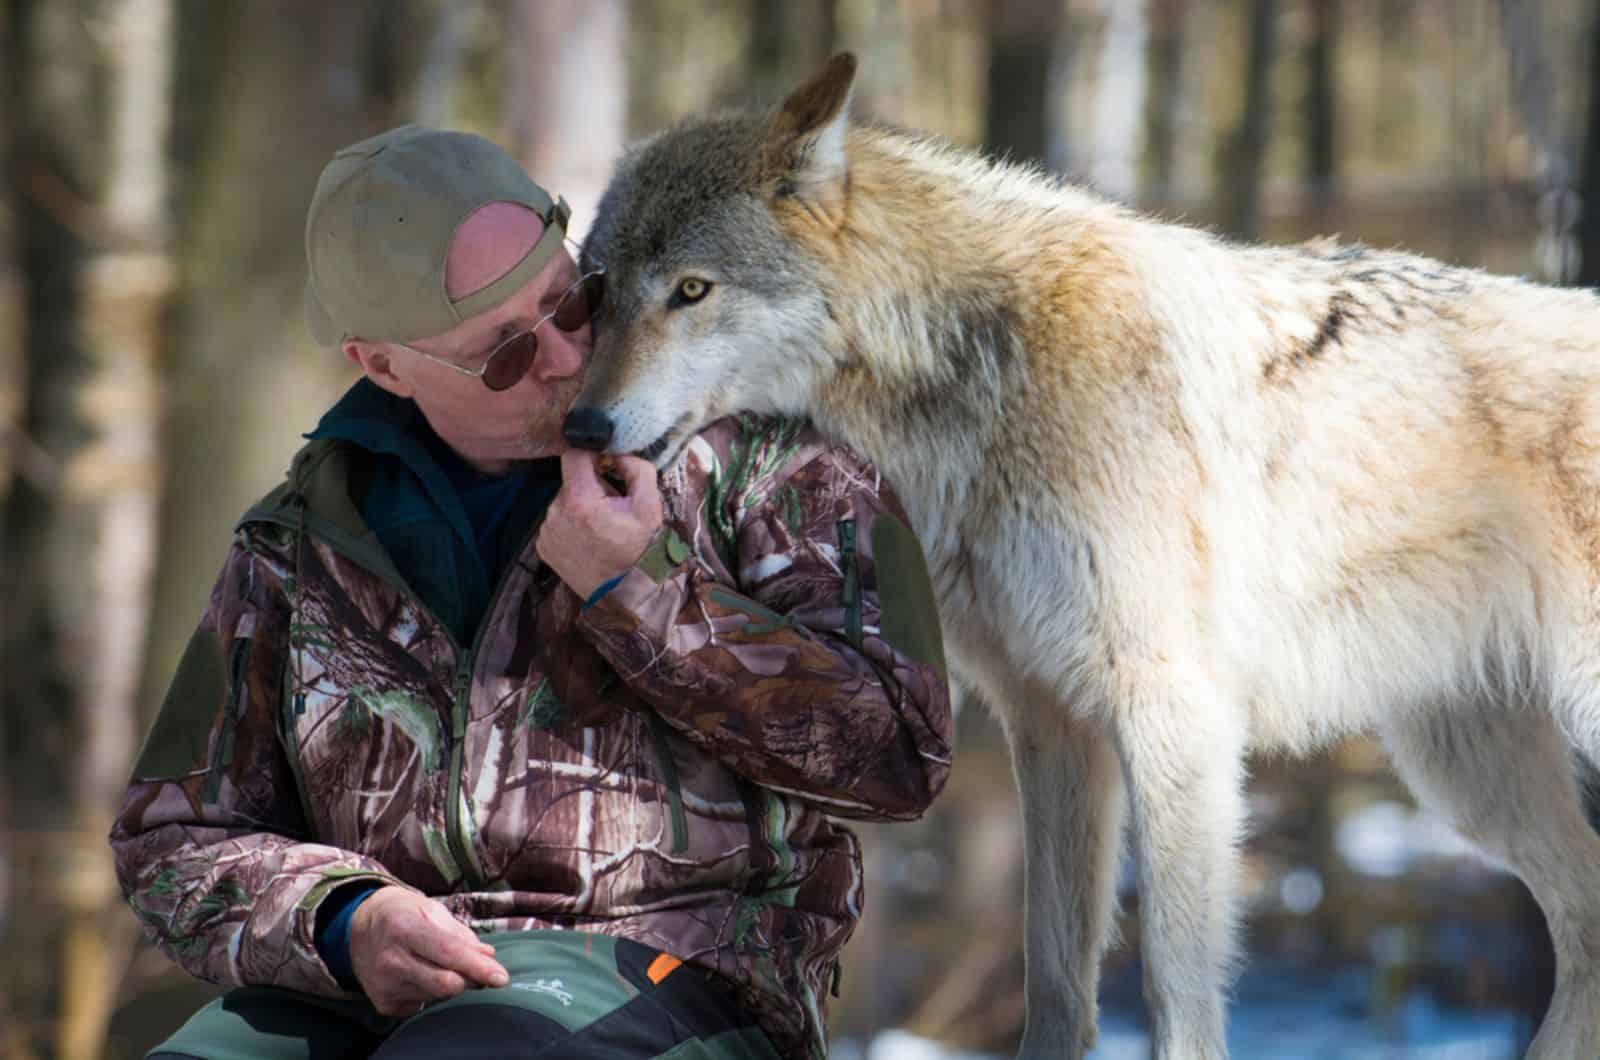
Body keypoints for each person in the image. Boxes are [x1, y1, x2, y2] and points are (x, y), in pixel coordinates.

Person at [110, 124, 952, 1060]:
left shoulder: (771, 461)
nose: (564, 357)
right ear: (383, 366)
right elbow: (174, 835)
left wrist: (642, 597)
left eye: (574, 301)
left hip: (676, 978)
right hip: (363, 996)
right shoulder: (300, 539)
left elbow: (903, 761)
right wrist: (345, 922)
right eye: (504, 352)